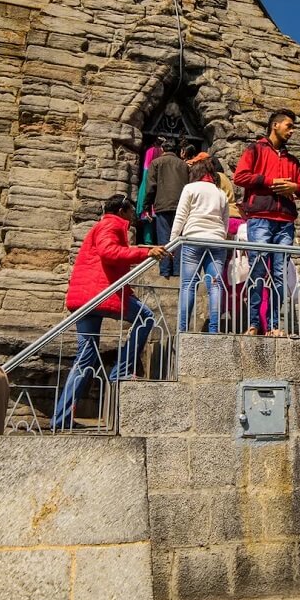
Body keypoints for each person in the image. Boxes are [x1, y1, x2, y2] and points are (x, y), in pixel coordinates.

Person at [52, 194, 169, 429]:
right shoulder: (111, 225)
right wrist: (145, 251)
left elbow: (106, 265)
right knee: (146, 317)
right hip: (101, 295)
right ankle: (121, 369)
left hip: (87, 297)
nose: (133, 214)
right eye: (131, 209)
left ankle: (60, 419)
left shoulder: (101, 226)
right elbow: (109, 253)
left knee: (85, 357)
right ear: (123, 209)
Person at [233, 109, 300, 336]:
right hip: (260, 219)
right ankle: (254, 323)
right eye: (289, 125)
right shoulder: (255, 149)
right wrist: (270, 181)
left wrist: (294, 187)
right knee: (258, 270)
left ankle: (275, 325)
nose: (292, 130)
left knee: (279, 273)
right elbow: (240, 177)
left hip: (285, 221)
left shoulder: (292, 160)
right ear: (275, 125)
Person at [172, 156, 230, 333]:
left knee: (188, 284)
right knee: (215, 285)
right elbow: (225, 222)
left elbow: (181, 216)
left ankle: (183, 329)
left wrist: (173, 241)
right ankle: (214, 329)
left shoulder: (190, 188)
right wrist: (221, 236)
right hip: (217, 241)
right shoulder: (220, 193)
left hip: (194, 239)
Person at [144, 139, 188, 278]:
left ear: (162, 149)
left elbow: (151, 186)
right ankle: (177, 270)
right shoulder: (184, 166)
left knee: (164, 238)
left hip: (162, 204)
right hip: (181, 205)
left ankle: (165, 270)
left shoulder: (156, 163)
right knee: (179, 238)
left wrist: (146, 206)